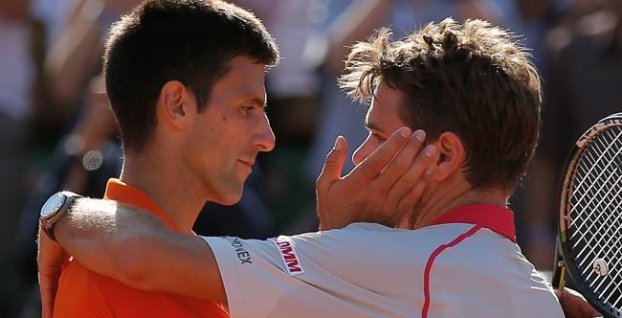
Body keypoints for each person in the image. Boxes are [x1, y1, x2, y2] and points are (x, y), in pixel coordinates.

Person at [36, 17, 601, 317]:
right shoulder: (538, 301)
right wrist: (339, 243)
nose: (360, 156)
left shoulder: (387, 261)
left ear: (444, 156)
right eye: (248, 109)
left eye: (377, 136)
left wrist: (60, 207)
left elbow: (137, 254)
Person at [39, 0, 432, 317]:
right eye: (248, 108)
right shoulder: (105, 279)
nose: (268, 138)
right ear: (177, 106)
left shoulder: (199, 273)